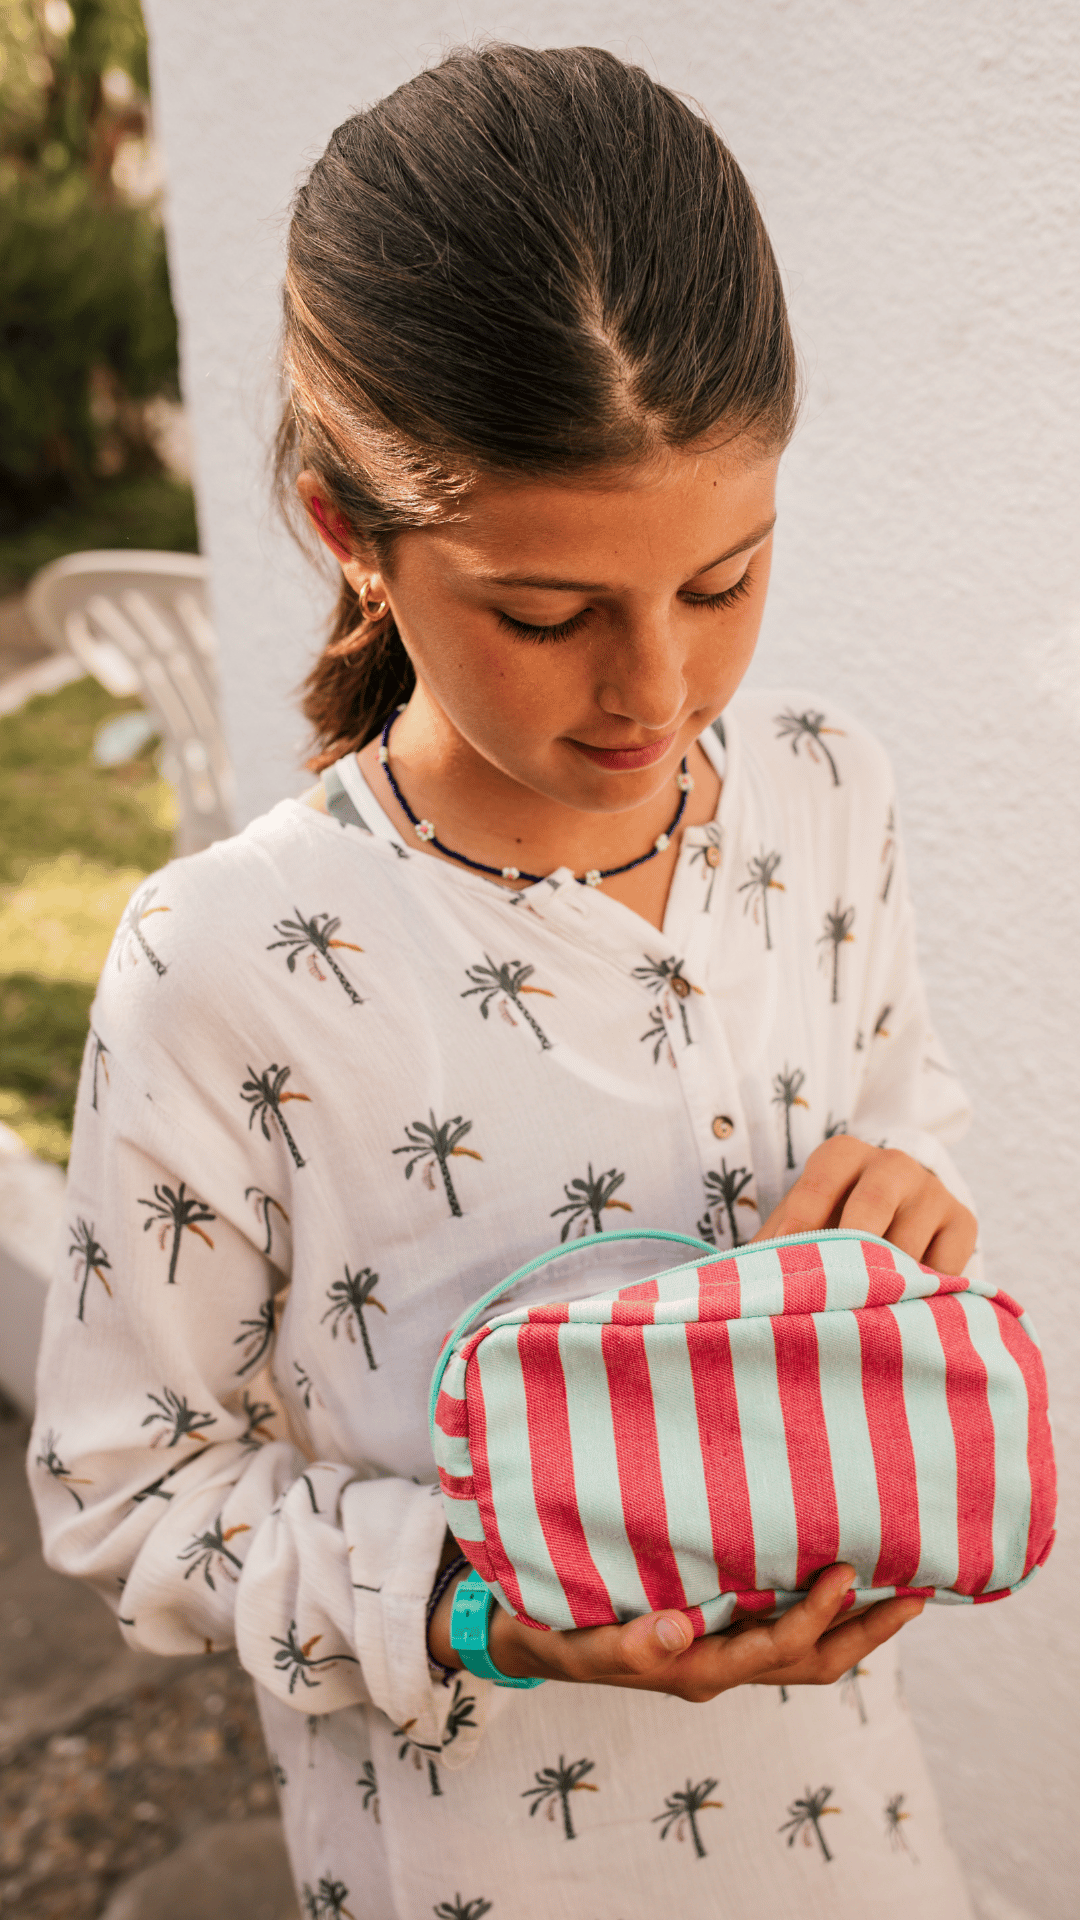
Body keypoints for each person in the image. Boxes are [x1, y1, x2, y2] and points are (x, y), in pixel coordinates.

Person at [31, 44, 980, 1919]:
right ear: (348, 538)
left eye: (725, 581)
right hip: (476, 1866)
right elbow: (129, 1493)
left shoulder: (829, 795)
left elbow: (898, 1127)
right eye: (547, 616)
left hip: (854, 1840)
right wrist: (486, 1612)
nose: (656, 691)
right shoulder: (224, 966)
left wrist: (906, 1213)